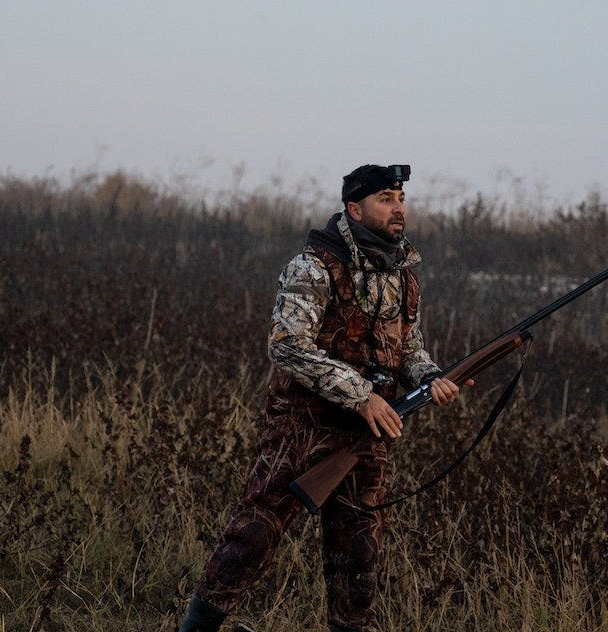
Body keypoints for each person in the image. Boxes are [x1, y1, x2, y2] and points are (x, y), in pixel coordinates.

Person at [178, 164, 466, 632]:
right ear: (354, 209)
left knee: (359, 552)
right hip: (301, 427)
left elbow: (407, 347)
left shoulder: (402, 274)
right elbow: (287, 344)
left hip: (367, 435)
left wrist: (432, 377)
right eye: (386, 200)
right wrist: (362, 396)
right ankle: (198, 628)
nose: (399, 209)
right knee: (254, 533)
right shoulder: (313, 266)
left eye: (400, 199)